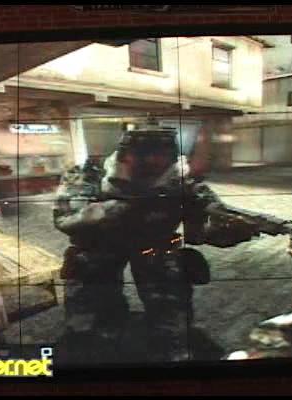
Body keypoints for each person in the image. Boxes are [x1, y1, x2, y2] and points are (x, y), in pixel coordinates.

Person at [53, 118, 258, 364]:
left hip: (154, 247)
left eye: (161, 156)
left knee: (171, 315)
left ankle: (170, 350)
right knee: (90, 315)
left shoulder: (182, 183)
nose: (153, 162)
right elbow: (66, 219)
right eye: (144, 155)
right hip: (99, 246)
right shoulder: (90, 174)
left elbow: (198, 233)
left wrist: (230, 231)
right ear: (125, 155)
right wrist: (128, 205)